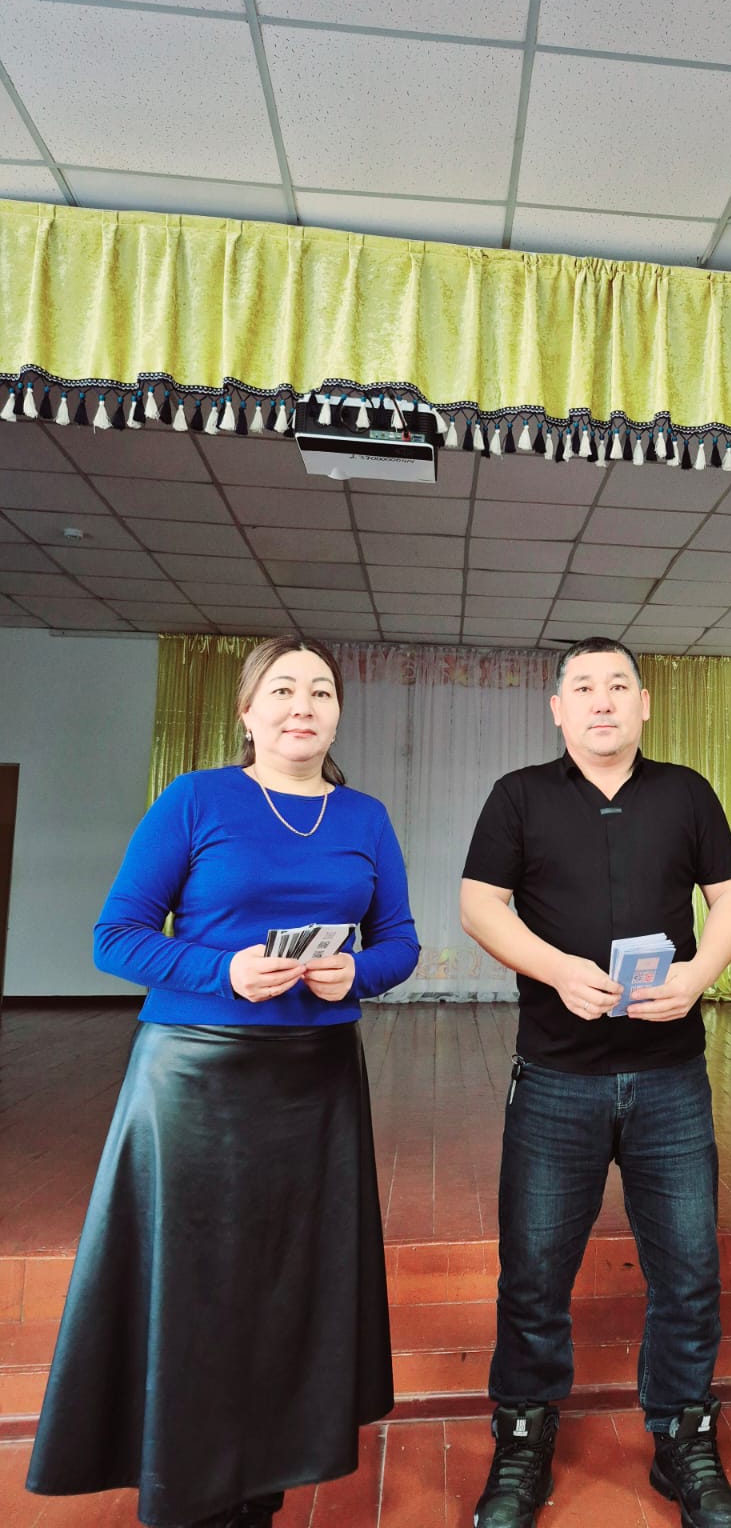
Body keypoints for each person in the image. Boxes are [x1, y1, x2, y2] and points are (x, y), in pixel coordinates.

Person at [26, 635, 420, 1528]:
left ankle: (259, 1492)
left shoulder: (365, 818)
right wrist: (224, 971)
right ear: (246, 710)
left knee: (290, 1294)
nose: (302, 705)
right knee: (195, 1292)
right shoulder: (195, 798)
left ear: (337, 715)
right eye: (282, 689)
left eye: (320, 691)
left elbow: (399, 941)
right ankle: (184, 1490)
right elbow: (117, 936)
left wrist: (356, 972)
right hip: (194, 1080)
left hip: (317, 1085)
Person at [460, 637, 731, 1528]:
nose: (602, 700)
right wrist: (555, 969)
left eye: (618, 685)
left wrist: (699, 975)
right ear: (557, 709)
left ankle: (682, 1435)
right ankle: (523, 1435)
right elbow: (478, 904)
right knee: (534, 1272)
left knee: (689, 1270)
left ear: (644, 704)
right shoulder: (519, 795)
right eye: (583, 687)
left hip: (671, 1079)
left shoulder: (686, 792)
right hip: (557, 1078)